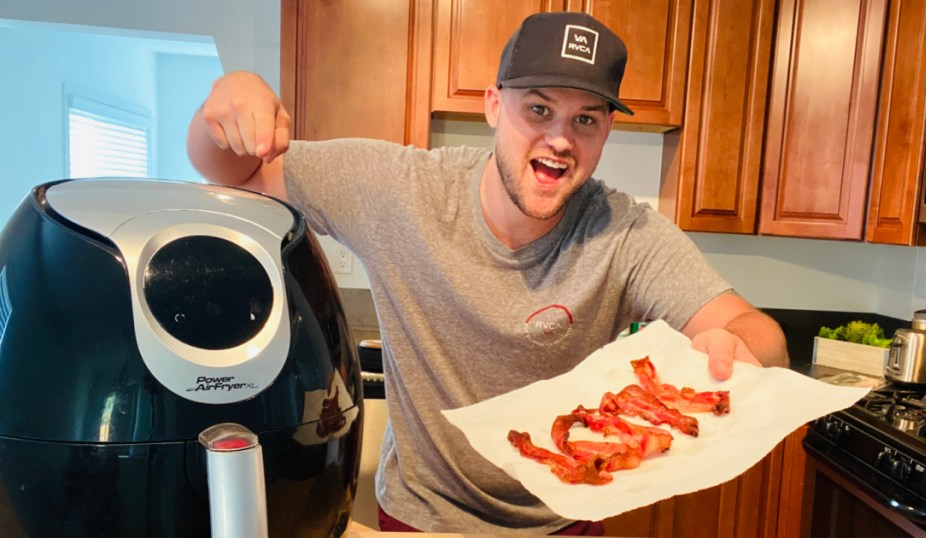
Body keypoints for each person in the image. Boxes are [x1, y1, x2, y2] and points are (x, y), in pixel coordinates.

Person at [187, 11, 788, 535]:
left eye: (586, 119)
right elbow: (231, 172)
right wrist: (232, 96)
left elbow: (756, 329)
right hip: (424, 518)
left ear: (607, 129)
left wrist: (737, 346)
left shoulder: (623, 232)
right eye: (539, 108)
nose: (560, 139)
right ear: (494, 105)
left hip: (566, 517)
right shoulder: (400, 191)